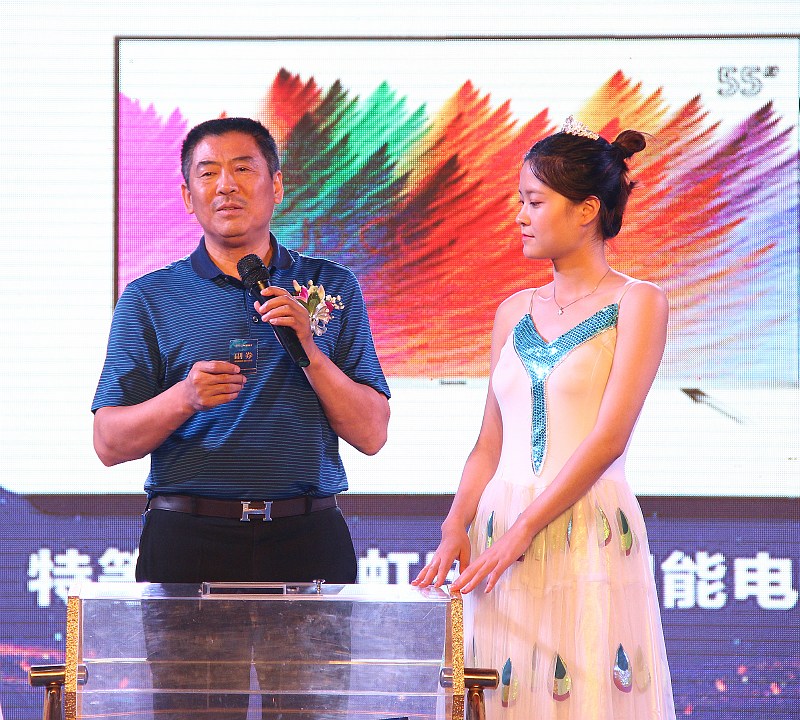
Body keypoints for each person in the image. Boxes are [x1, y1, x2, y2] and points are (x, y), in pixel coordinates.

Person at [92, 116, 390, 717]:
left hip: (306, 537)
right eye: (208, 173)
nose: (225, 185)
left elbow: (372, 432)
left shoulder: (329, 287)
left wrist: (309, 350)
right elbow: (108, 441)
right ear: (187, 196)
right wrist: (184, 397)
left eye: (243, 169)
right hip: (190, 540)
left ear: (276, 185)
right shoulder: (150, 297)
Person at [414, 116, 676, 719]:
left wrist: (525, 528)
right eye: (520, 202)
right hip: (498, 528)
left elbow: (609, 438)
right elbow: (489, 443)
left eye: (534, 202)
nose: (520, 216)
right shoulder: (513, 310)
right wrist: (456, 524)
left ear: (586, 210)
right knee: (501, 692)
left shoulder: (638, 301)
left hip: (583, 522)